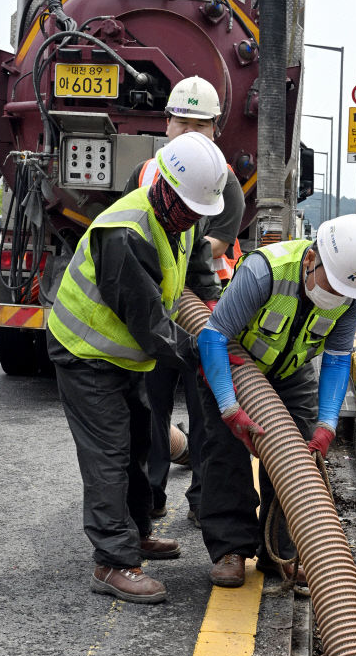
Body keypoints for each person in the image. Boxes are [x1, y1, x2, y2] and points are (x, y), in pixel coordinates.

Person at [47, 133, 228, 603]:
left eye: (198, 211)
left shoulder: (181, 216)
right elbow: (151, 326)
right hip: (85, 353)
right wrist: (205, 355)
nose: (192, 218)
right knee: (109, 452)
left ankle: (137, 532)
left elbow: (199, 273)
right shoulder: (126, 232)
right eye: (187, 207)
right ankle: (112, 562)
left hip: (124, 355)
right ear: (164, 186)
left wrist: (216, 320)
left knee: (144, 441)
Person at [196, 215, 356, 587]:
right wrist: (229, 406)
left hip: (291, 373)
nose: (337, 296)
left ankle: (276, 552)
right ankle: (230, 550)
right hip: (232, 366)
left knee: (295, 459)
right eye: (332, 284)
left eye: (345, 291)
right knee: (225, 455)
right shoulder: (264, 271)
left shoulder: (351, 294)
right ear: (312, 258)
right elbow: (213, 336)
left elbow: (336, 357)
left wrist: (327, 423)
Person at [122, 76, 246, 526]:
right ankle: (152, 493)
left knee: (206, 408)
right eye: (183, 121)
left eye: (201, 124)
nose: (191, 130)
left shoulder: (222, 178)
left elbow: (216, 242)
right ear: (167, 123)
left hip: (206, 306)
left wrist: (165, 255)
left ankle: (201, 497)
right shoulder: (145, 172)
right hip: (157, 305)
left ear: (216, 129)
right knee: (150, 404)